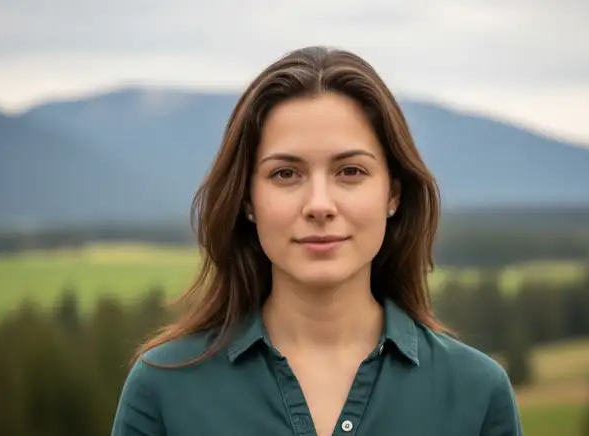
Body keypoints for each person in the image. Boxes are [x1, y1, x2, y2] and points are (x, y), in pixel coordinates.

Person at [111, 46, 523, 436]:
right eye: (285, 174)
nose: (319, 205)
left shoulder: (476, 392)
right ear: (247, 200)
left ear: (393, 194)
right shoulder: (164, 389)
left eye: (350, 171)